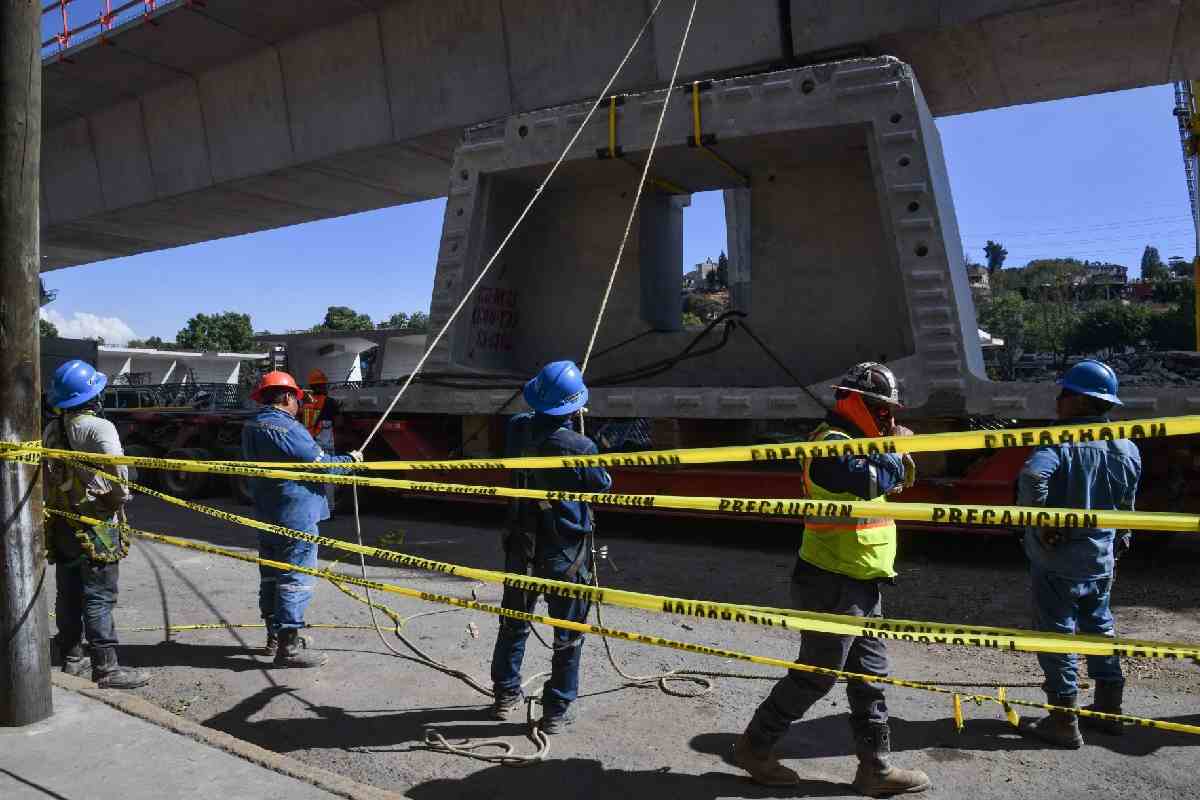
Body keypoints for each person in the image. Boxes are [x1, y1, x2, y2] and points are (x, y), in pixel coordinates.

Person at [732, 362, 930, 796]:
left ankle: (875, 769)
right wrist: (894, 450)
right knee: (817, 675)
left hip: (864, 579)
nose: (890, 420)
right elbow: (870, 481)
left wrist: (891, 452)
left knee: (870, 677)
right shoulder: (830, 446)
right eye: (882, 410)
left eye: (891, 412)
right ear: (855, 402)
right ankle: (754, 747)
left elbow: (894, 482)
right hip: (831, 581)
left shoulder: (863, 442)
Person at [1018, 359, 1141, 748]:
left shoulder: (1060, 441)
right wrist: (1119, 541)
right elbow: (1127, 506)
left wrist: (1041, 522)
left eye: (1064, 393)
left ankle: (1063, 721)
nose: (1057, 400)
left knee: (1058, 635)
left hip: (1059, 560)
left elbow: (1033, 476)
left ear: (1079, 401)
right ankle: (1109, 712)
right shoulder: (1126, 444)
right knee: (1099, 629)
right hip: (1101, 558)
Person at [489, 360, 611, 735]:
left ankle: (505, 694)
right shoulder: (579, 445)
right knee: (568, 632)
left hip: (521, 545)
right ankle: (556, 709)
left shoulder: (516, 429)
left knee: (513, 623)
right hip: (564, 552)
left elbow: (532, 421)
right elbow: (601, 485)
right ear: (573, 406)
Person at [241, 370, 362, 667]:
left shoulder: (251, 425)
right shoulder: (287, 428)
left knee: (271, 575)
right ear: (286, 397)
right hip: (295, 514)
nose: (300, 404)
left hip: (266, 512)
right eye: (297, 398)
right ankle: (289, 647)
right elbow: (322, 466)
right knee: (295, 577)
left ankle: (274, 637)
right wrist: (350, 461)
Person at [42, 359, 149, 689]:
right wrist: (118, 499)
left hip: (62, 522)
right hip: (94, 526)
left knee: (69, 592)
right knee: (99, 595)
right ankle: (106, 667)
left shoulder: (52, 429)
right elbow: (119, 476)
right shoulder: (99, 428)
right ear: (93, 396)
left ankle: (72, 656)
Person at [301, 368, 341, 515]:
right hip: (325, 445)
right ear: (321, 386)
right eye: (324, 384)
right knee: (328, 478)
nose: (325, 387)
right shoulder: (330, 403)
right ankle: (329, 510)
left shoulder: (305, 403)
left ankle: (311, 509)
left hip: (308, 444)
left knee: (310, 477)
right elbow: (339, 422)